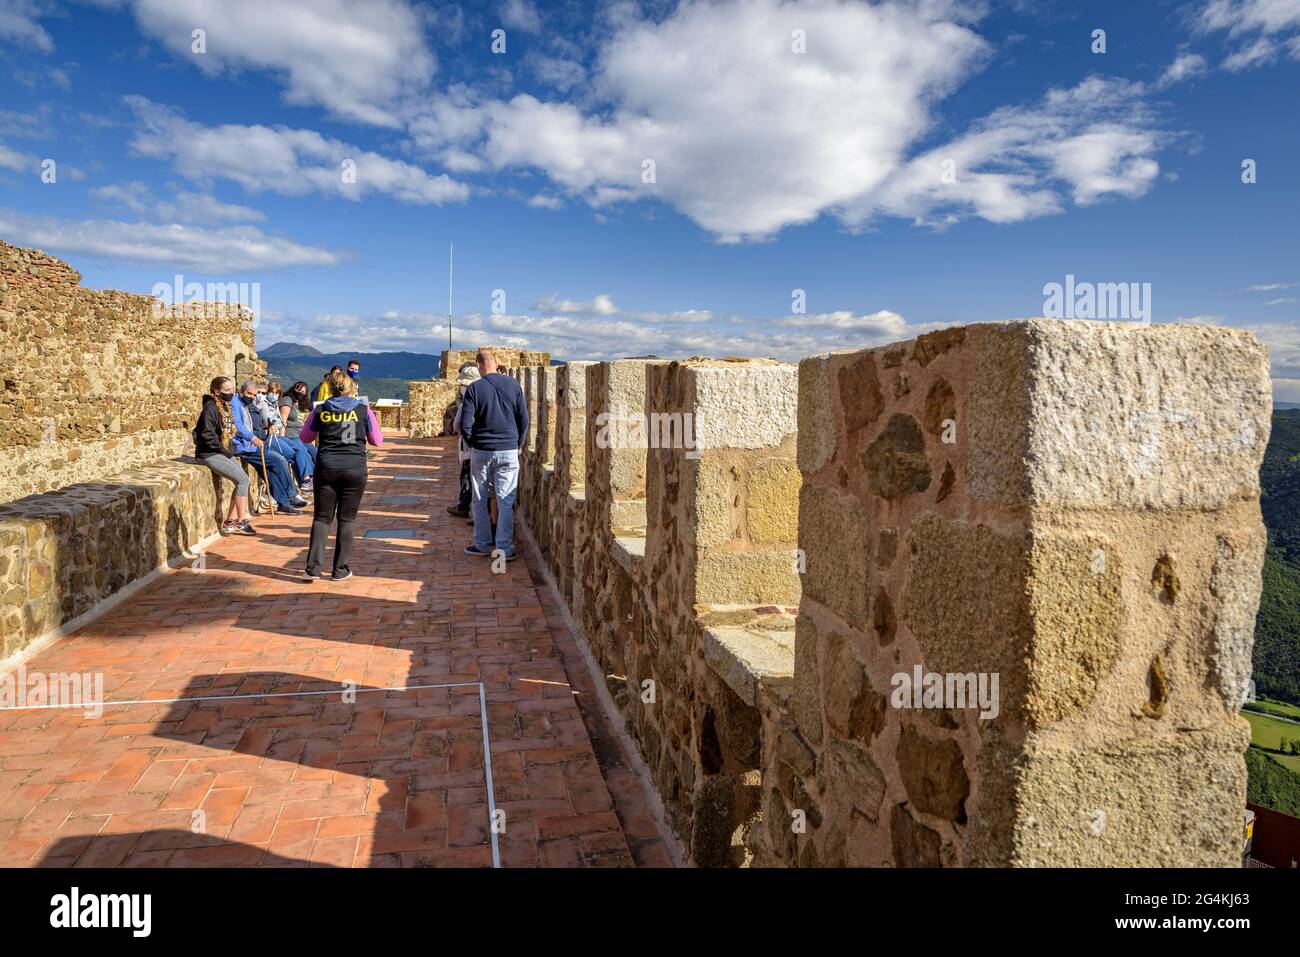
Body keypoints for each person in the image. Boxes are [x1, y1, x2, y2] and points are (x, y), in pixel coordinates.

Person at [298, 367, 384, 582]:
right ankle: (340, 569)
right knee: (347, 519)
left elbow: (305, 438)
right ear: (351, 389)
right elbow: (377, 440)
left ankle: (313, 569)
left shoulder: (320, 410)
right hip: (355, 468)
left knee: (321, 518)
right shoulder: (364, 410)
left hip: (326, 467)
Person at [457, 348, 527, 561]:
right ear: (496, 364)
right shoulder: (514, 385)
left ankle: (482, 544)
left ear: (478, 367)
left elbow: (463, 424)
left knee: (479, 498)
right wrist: (518, 445)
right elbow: (523, 419)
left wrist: (474, 443)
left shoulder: (475, 388)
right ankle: (504, 548)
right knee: (505, 500)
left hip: (482, 451)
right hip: (508, 450)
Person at [232, 379, 308, 514]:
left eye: (256, 394)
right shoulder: (237, 404)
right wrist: (256, 436)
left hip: (255, 443)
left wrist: (264, 431)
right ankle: (291, 495)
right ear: (240, 391)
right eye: (250, 394)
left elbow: (256, 426)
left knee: (270, 470)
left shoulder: (249, 405)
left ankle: (283, 503)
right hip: (246, 446)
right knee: (278, 460)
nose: (253, 397)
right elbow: (239, 426)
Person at [194, 376, 256, 535]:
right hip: (209, 453)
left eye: (231, 390)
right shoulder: (210, 408)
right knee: (242, 480)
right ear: (216, 391)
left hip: (221, 451)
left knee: (242, 480)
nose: (230, 393)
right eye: (226, 390)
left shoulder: (223, 406)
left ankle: (230, 521)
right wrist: (223, 450)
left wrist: (229, 449)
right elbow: (206, 435)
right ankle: (240, 521)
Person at [446, 363, 479, 518]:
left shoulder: (469, 400)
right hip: (483, 444)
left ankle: (464, 506)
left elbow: (458, 424)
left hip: (470, 444)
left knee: (467, 476)